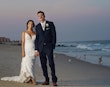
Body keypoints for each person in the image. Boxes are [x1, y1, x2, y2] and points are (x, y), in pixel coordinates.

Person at [1, 20, 37, 85]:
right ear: (27, 25)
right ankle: (32, 78)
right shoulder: (24, 32)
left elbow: (37, 43)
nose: (30, 25)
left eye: (32, 24)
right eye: (29, 23)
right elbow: (23, 42)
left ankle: (28, 79)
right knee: (27, 64)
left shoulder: (35, 33)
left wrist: (37, 51)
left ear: (33, 25)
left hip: (33, 50)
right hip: (26, 50)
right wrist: (22, 51)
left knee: (31, 65)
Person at [35, 11, 58, 86]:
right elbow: (37, 39)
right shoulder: (37, 26)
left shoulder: (50, 24)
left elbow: (54, 35)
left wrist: (52, 45)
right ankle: (46, 80)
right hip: (41, 48)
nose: (40, 17)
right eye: (39, 16)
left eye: (41, 15)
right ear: (37, 17)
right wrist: (36, 49)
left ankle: (54, 80)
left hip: (49, 47)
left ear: (44, 16)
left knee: (51, 63)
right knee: (43, 64)